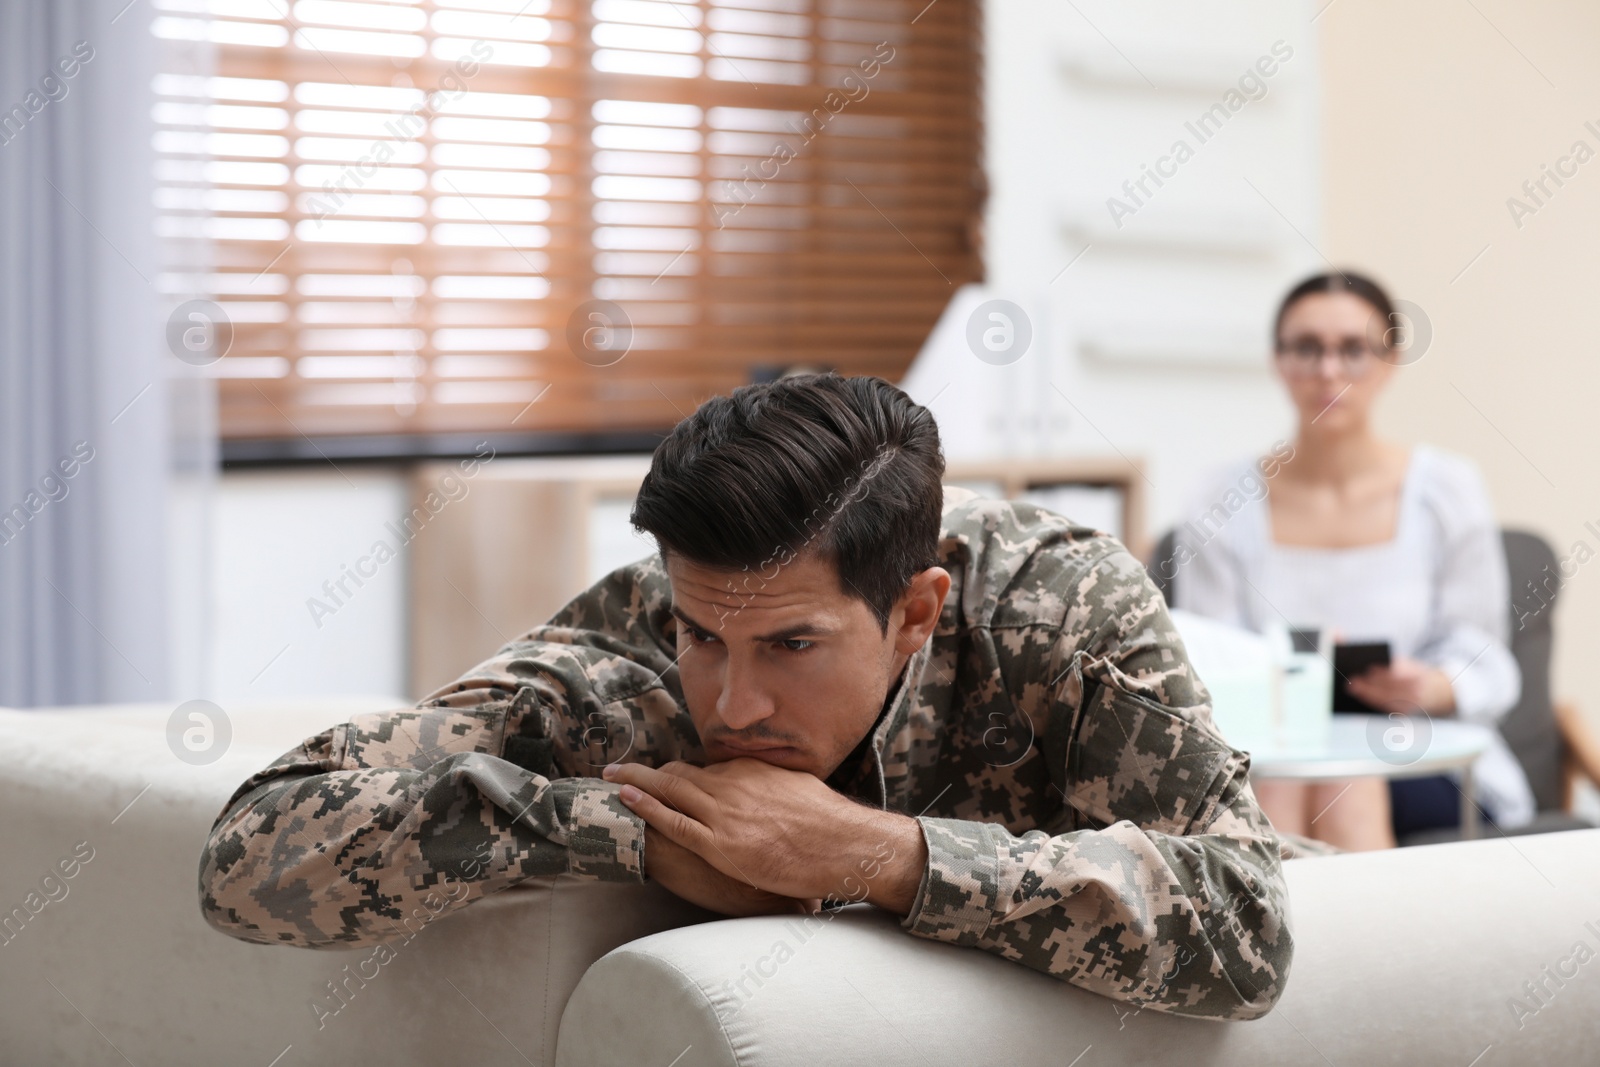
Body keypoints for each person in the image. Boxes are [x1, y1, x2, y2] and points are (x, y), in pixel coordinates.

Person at [199, 374, 1294, 1021]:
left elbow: (1248, 924)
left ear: (915, 610)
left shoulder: (1059, 605)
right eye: (701, 634)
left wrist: (881, 854)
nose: (732, 697)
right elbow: (245, 855)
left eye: (792, 643)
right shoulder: (626, 631)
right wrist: (628, 834)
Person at [1173, 272, 1535, 851]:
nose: (1328, 371)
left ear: (1389, 361)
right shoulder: (1219, 501)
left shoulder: (1446, 490)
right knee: (1290, 779)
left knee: (1342, 774)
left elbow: (1483, 655)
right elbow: (1207, 664)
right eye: (1307, 348)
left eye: (1353, 350)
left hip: (1427, 756)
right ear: (1278, 361)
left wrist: (1433, 687)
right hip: (1267, 761)